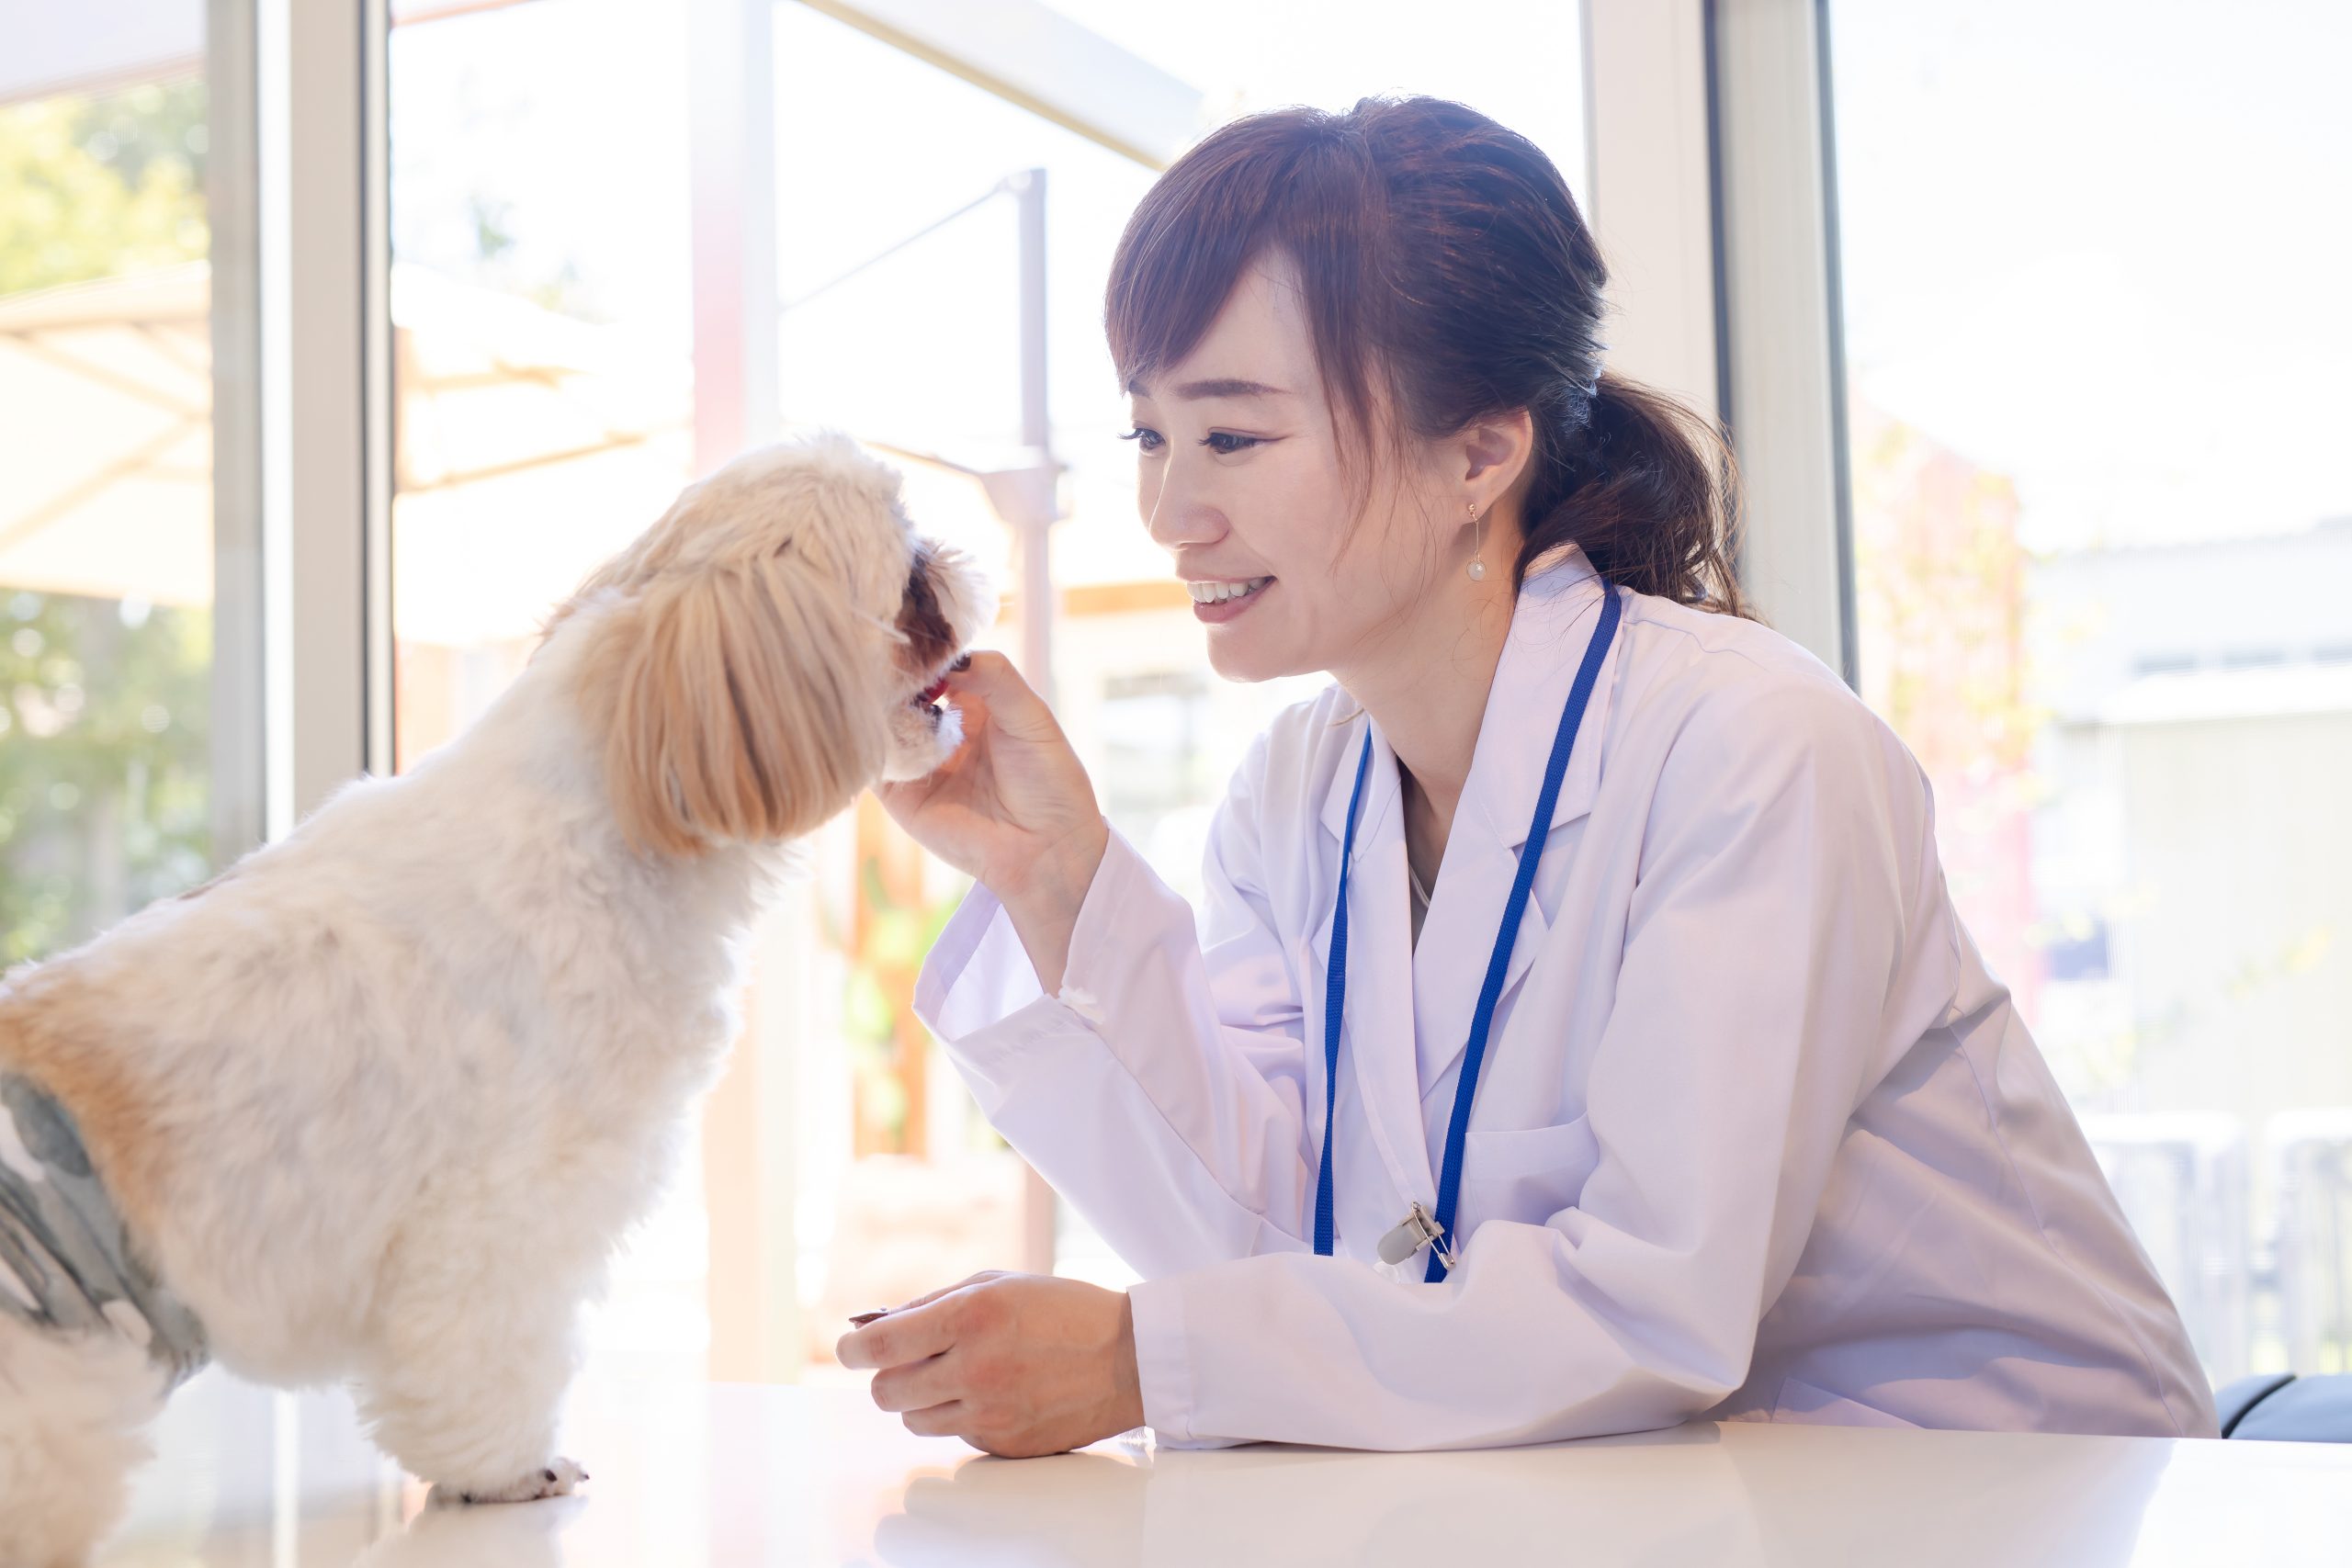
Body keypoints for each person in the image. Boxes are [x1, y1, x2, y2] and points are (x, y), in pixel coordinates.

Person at [835, 96, 2216, 1457]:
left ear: (1482, 452)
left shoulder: (1752, 748)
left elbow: (1652, 1305)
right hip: (1660, 1490)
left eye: (1235, 437)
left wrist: (1151, 1360)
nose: (1168, 510)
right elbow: (1275, 1234)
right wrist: (1056, 876)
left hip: (2012, 1482)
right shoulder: (1293, 795)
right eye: (1150, 435)